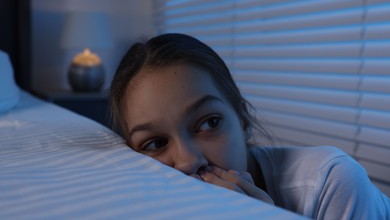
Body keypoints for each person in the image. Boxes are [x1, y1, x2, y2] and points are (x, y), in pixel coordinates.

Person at [110, 33, 390, 218]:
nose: (188, 161)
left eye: (209, 123)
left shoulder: (331, 180)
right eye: (156, 143)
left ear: (242, 121)